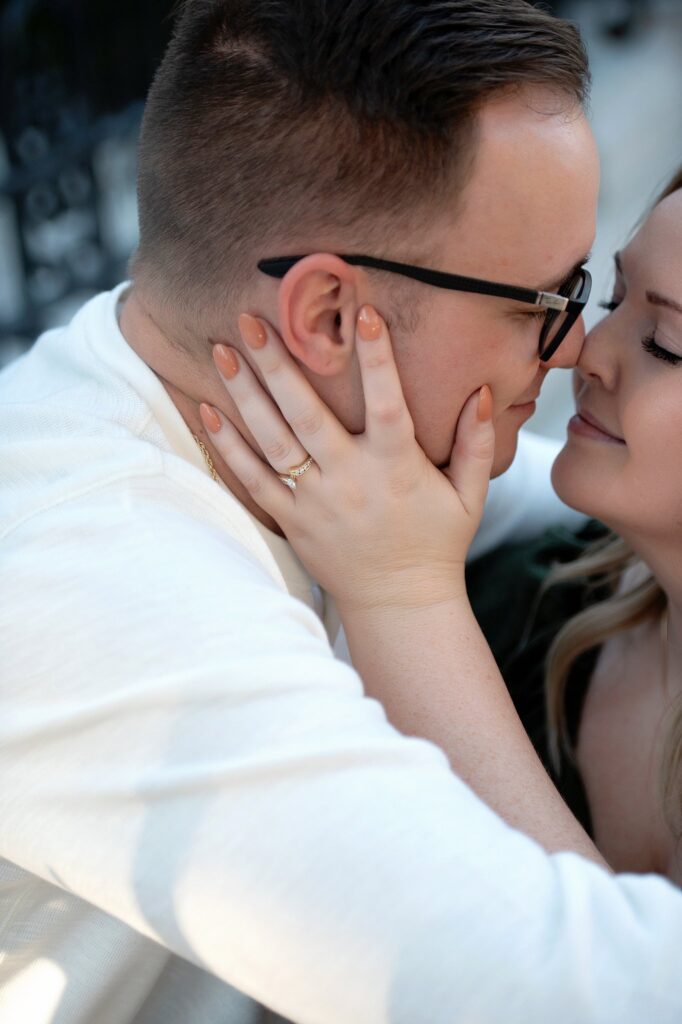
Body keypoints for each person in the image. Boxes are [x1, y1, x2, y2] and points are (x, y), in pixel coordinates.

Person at [1, 3, 681, 1024]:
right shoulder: (104, 588)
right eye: (542, 301)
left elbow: (545, 508)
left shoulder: (308, 452)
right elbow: (584, 995)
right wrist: (404, 595)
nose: (572, 348)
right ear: (328, 318)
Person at [466, 166, 682, 885]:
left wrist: (403, 603)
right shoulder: (531, 604)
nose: (584, 350)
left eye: (665, 343)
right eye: (614, 298)